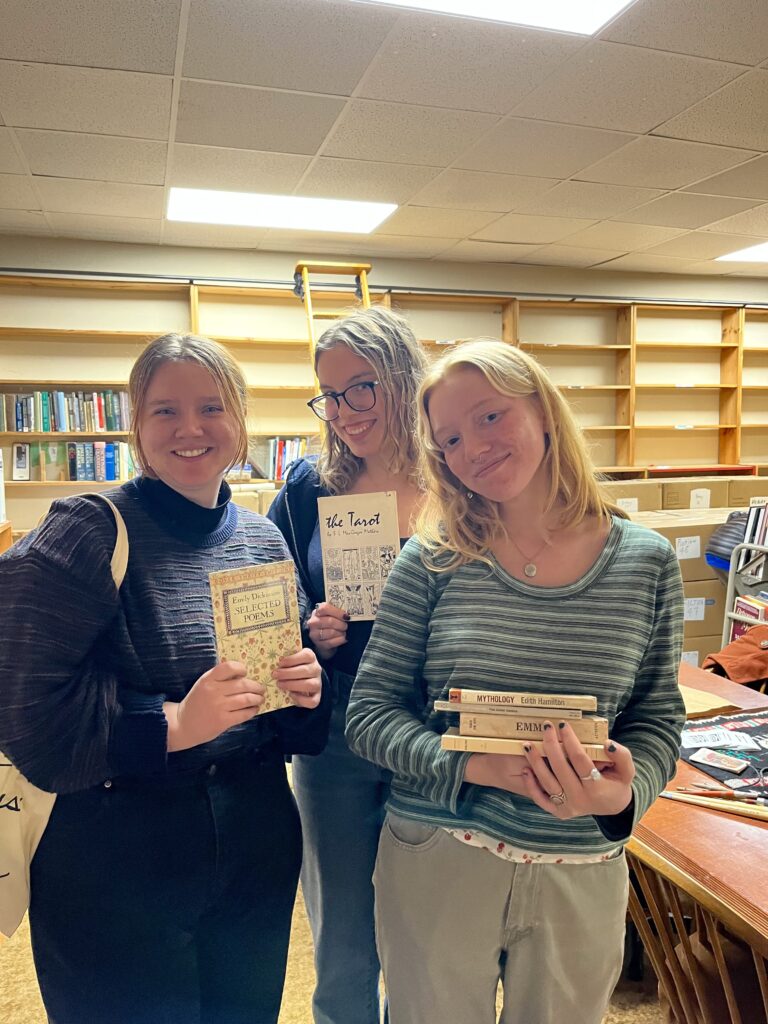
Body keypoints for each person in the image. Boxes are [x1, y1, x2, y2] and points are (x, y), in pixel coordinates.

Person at [345, 339, 685, 1024]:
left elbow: (657, 721)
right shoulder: (431, 560)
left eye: (491, 417)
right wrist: (477, 767)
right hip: (441, 849)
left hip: (580, 862)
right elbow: (369, 717)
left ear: (544, 411)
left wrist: (625, 790)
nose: (474, 446)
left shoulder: (648, 562)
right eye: (450, 438)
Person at [0, 333, 330, 1024]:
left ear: (240, 422)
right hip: (116, 847)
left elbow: (277, 705)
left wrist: (303, 688)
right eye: (164, 410)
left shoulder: (259, 537)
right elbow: (23, 706)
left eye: (212, 407)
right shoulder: (85, 531)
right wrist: (174, 723)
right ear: (136, 427)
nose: (190, 429)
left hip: (255, 835)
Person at [268, 305, 428, 1024]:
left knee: (429, 922)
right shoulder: (308, 488)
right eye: (328, 395)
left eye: (359, 388)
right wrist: (310, 630)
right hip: (335, 736)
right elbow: (270, 598)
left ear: (403, 377)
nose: (342, 412)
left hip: (433, 733)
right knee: (339, 925)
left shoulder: (459, 482)